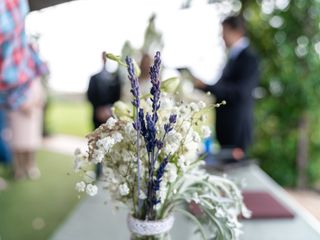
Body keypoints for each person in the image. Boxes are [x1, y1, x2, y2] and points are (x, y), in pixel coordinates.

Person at [195, 16, 260, 161]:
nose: (222, 36)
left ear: (235, 31)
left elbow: (240, 92)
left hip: (237, 131)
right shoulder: (232, 57)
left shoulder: (249, 58)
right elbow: (223, 87)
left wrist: (206, 86)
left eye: (223, 31)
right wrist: (203, 87)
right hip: (226, 131)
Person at [87, 51, 121, 177]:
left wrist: (108, 110)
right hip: (97, 117)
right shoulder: (94, 77)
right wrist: (99, 110)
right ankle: (97, 171)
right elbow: (90, 95)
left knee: (111, 145)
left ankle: (110, 172)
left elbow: (118, 97)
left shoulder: (115, 78)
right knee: (96, 144)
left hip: (110, 117)